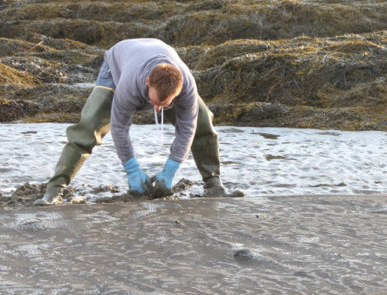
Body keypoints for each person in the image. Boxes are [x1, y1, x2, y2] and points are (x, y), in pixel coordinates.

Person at [35, 38, 243, 205]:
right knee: (89, 127)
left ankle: (213, 184)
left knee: (203, 121)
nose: (158, 109)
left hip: (158, 55)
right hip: (118, 64)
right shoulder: (128, 86)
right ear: (147, 83)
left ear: (178, 93)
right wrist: (132, 168)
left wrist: (171, 168)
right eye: (155, 102)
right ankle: (54, 190)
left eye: (164, 104)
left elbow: (188, 129)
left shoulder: (186, 86)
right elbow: (119, 128)